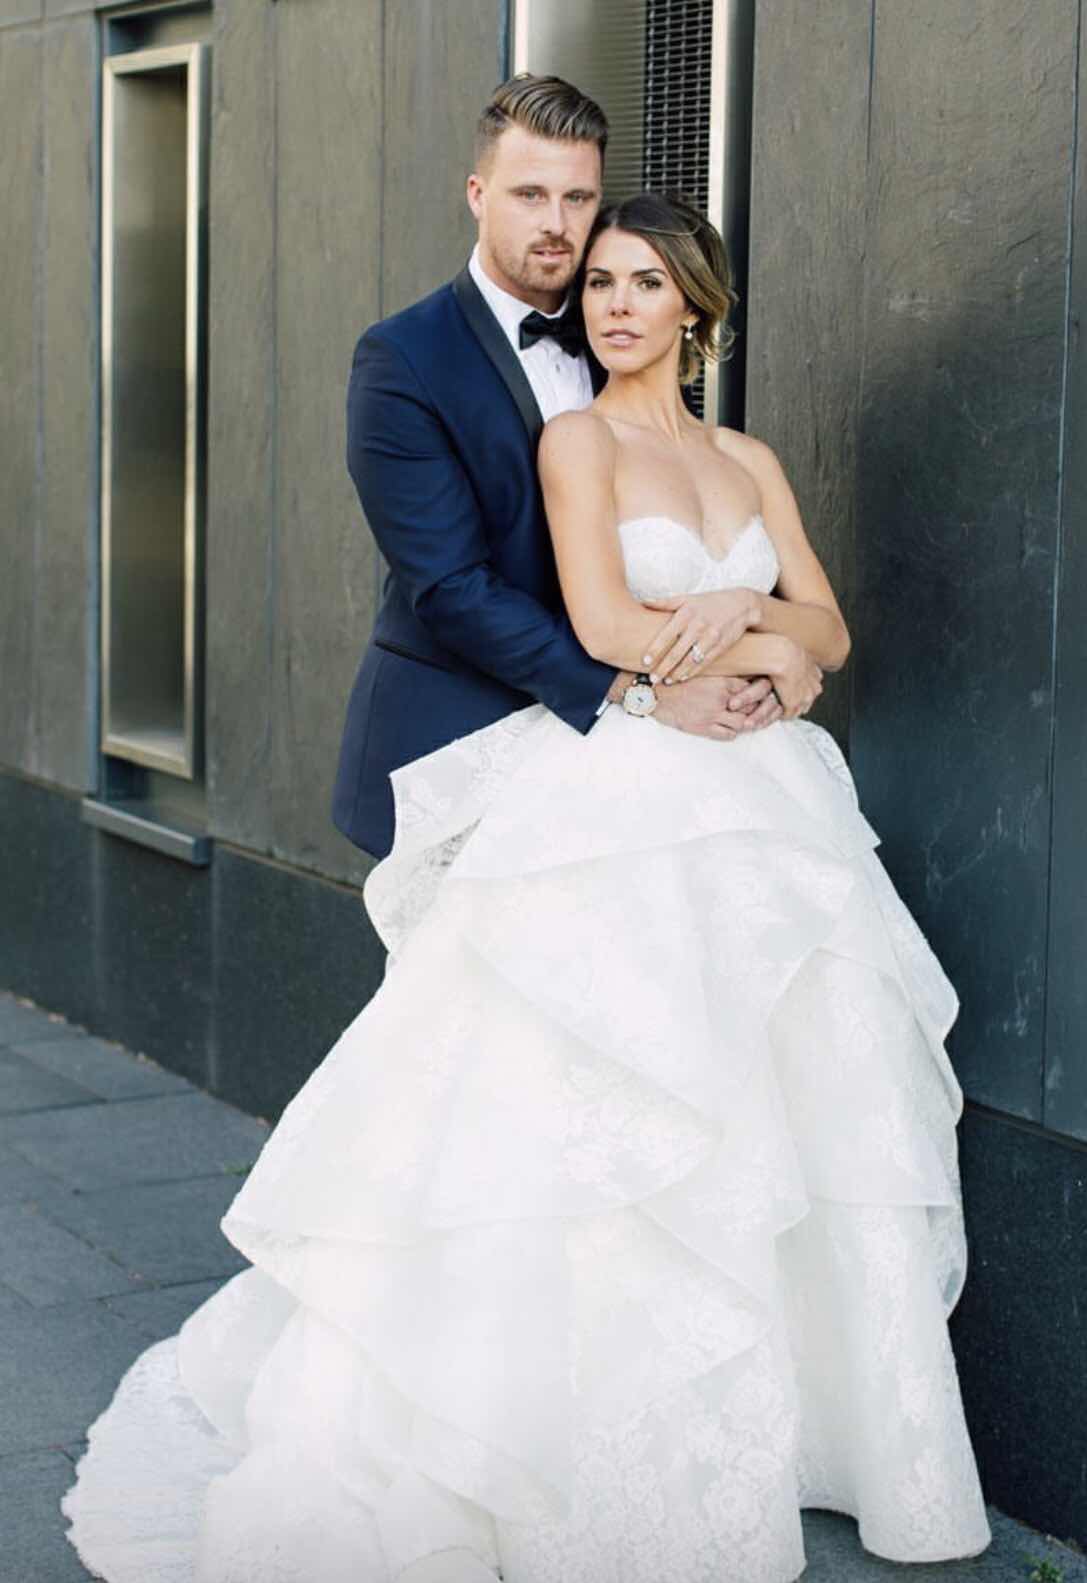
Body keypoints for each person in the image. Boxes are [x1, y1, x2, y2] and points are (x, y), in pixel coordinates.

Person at [60, 154, 993, 1583]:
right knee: (619, 1096)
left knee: (782, 1097)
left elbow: (833, 628)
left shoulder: (746, 460)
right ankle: (589, 1453)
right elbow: (610, 624)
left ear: (695, 311)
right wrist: (754, 639)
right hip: (630, 792)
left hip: (768, 808)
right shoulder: (577, 446)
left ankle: (800, 1429)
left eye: (642, 283)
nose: (610, 302)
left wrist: (759, 625)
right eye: (598, 281)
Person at [331, 73, 781, 865]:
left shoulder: (622, 321)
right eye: (529, 195)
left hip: (633, 771)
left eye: (578, 198)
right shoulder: (402, 359)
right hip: (463, 735)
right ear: (477, 194)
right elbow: (450, 588)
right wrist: (641, 694)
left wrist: (759, 643)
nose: (556, 223)